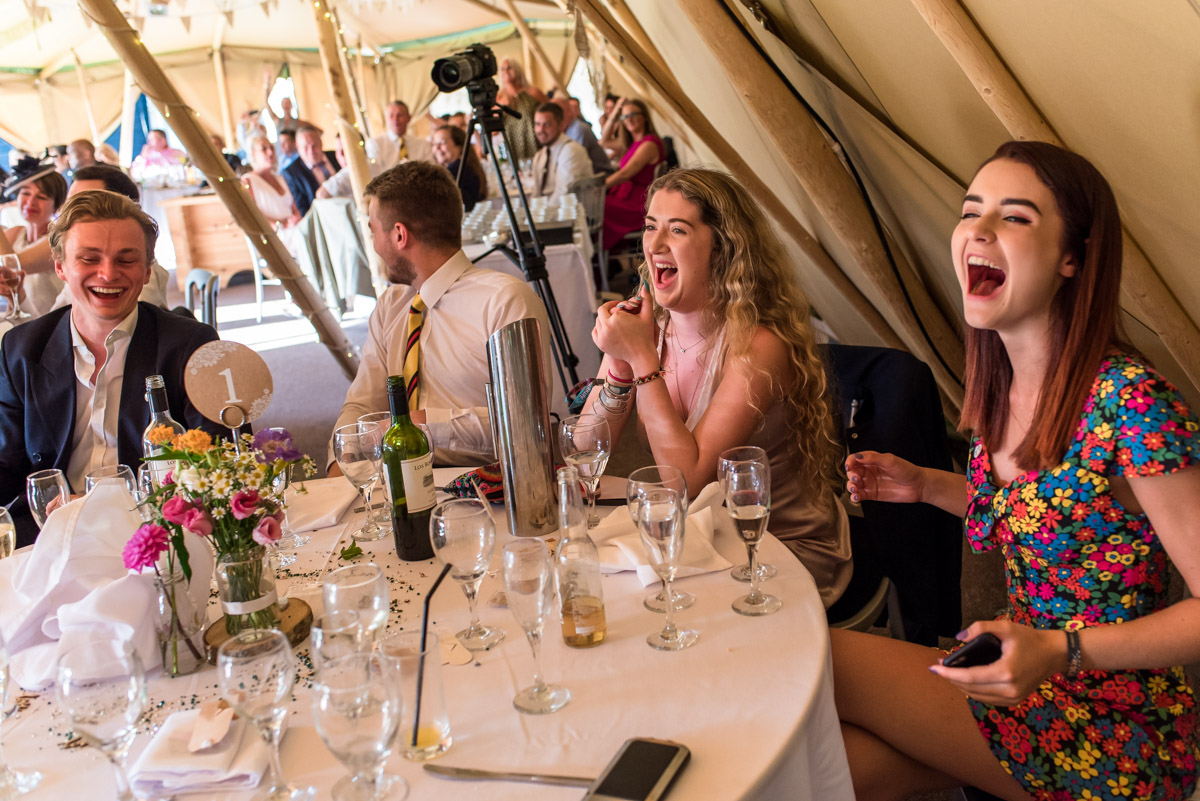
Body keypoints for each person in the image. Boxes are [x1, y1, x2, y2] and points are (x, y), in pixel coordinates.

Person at [835, 141, 1200, 801]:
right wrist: (925, 485)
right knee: (832, 768)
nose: (978, 228)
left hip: (1108, 723)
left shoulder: (1131, 403)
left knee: (825, 665)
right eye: (972, 210)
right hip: (1014, 681)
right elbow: (1044, 509)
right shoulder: (1000, 387)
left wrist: (1062, 649)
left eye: (1016, 216)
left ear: (1073, 258)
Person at [584, 168, 850, 606]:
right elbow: (586, 449)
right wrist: (616, 364)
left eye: (678, 230)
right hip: (696, 534)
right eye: (651, 227)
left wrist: (642, 361)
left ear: (722, 248)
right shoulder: (650, 326)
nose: (655, 244)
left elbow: (684, 481)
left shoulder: (758, 347)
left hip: (775, 547)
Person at [0, 190, 223, 547]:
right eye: (89, 258)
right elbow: (8, 467)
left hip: (157, 535)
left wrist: (105, 509)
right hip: (51, 539)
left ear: (147, 269)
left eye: (126, 259)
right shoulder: (21, 348)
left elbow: (216, 465)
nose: (108, 273)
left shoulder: (190, 345)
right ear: (59, 266)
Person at [329, 160, 552, 468]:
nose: (374, 246)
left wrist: (420, 426)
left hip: (487, 492)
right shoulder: (390, 307)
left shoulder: (503, 300)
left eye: (372, 231)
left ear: (399, 235)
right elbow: (362, 402)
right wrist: (341, 462)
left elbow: (525, 422)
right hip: (394, 484)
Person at [317, 100, 433, 200]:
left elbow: (431, 172)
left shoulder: (422, 144)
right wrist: (330, 187)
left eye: (400, 115)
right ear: (386, 118)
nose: (395, 120)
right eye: (391, 116)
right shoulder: (375, 144)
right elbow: (368, 168)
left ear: (409, 118)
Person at [2, 158, 68, 316]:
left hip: (49, 326)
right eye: (25, 193)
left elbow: (11, 268)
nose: (30, 202)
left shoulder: (58, 238)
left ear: (57, 205)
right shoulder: (15, 233)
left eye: (42, 197)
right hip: (17, 320)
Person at [602, 98, 663, 251]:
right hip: (626, 197)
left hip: (637, 203)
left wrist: (598, 185)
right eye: (625, 116)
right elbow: (604, 140)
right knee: (594, 206)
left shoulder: (648, 144)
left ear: (644, 116)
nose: (629, 119)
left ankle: (600, 259)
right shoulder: (631, 144)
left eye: (633, 114)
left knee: (596, 207)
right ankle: (602, 260)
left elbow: (625, 174)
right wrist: (616, 111)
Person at [242, 136, 301, 258]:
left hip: (293, 229)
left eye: (272, 148)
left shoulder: (280, 178)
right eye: (264, 149)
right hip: (273, 236)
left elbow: (294, 206)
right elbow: (250, 215)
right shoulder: (248, 181)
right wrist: (279, 224)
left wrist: (295, 218)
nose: (270, 152)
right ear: (253, 154)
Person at [529, 103, 594, 199]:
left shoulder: (571, 151)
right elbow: (536, 193)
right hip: (550, 210)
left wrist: (541, 212)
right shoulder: (540, 155)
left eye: (546, 124)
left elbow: (564, 194)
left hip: (571, 211)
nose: (540, 130)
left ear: (561, 125)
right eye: (537, 124)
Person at [495, 58, 547, 164]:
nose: (506, 72)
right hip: (513, 146)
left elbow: (550, 112)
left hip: (536, 141)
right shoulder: (499, 98)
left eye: (509, 68)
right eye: (502, 69)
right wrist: (502, 107)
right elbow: (493, 131)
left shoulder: (533, 92)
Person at [282, 125, 338, 217]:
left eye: (314, 145)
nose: (311, 151)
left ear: (321, 143)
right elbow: (304, 210)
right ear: (298, 147)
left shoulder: (336, 155)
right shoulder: (292, 173)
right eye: (305, 147)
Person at [430, 125, 486, 211]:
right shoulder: (468, 165)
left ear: (459, 146)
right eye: (434, 144)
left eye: (443, 142)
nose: (437, 148)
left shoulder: (456, 171)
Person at [556, 96, 610, 176]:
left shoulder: (579, 129)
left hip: (601, 179)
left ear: (569, 111)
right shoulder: (568, 129)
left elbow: (574, 160)